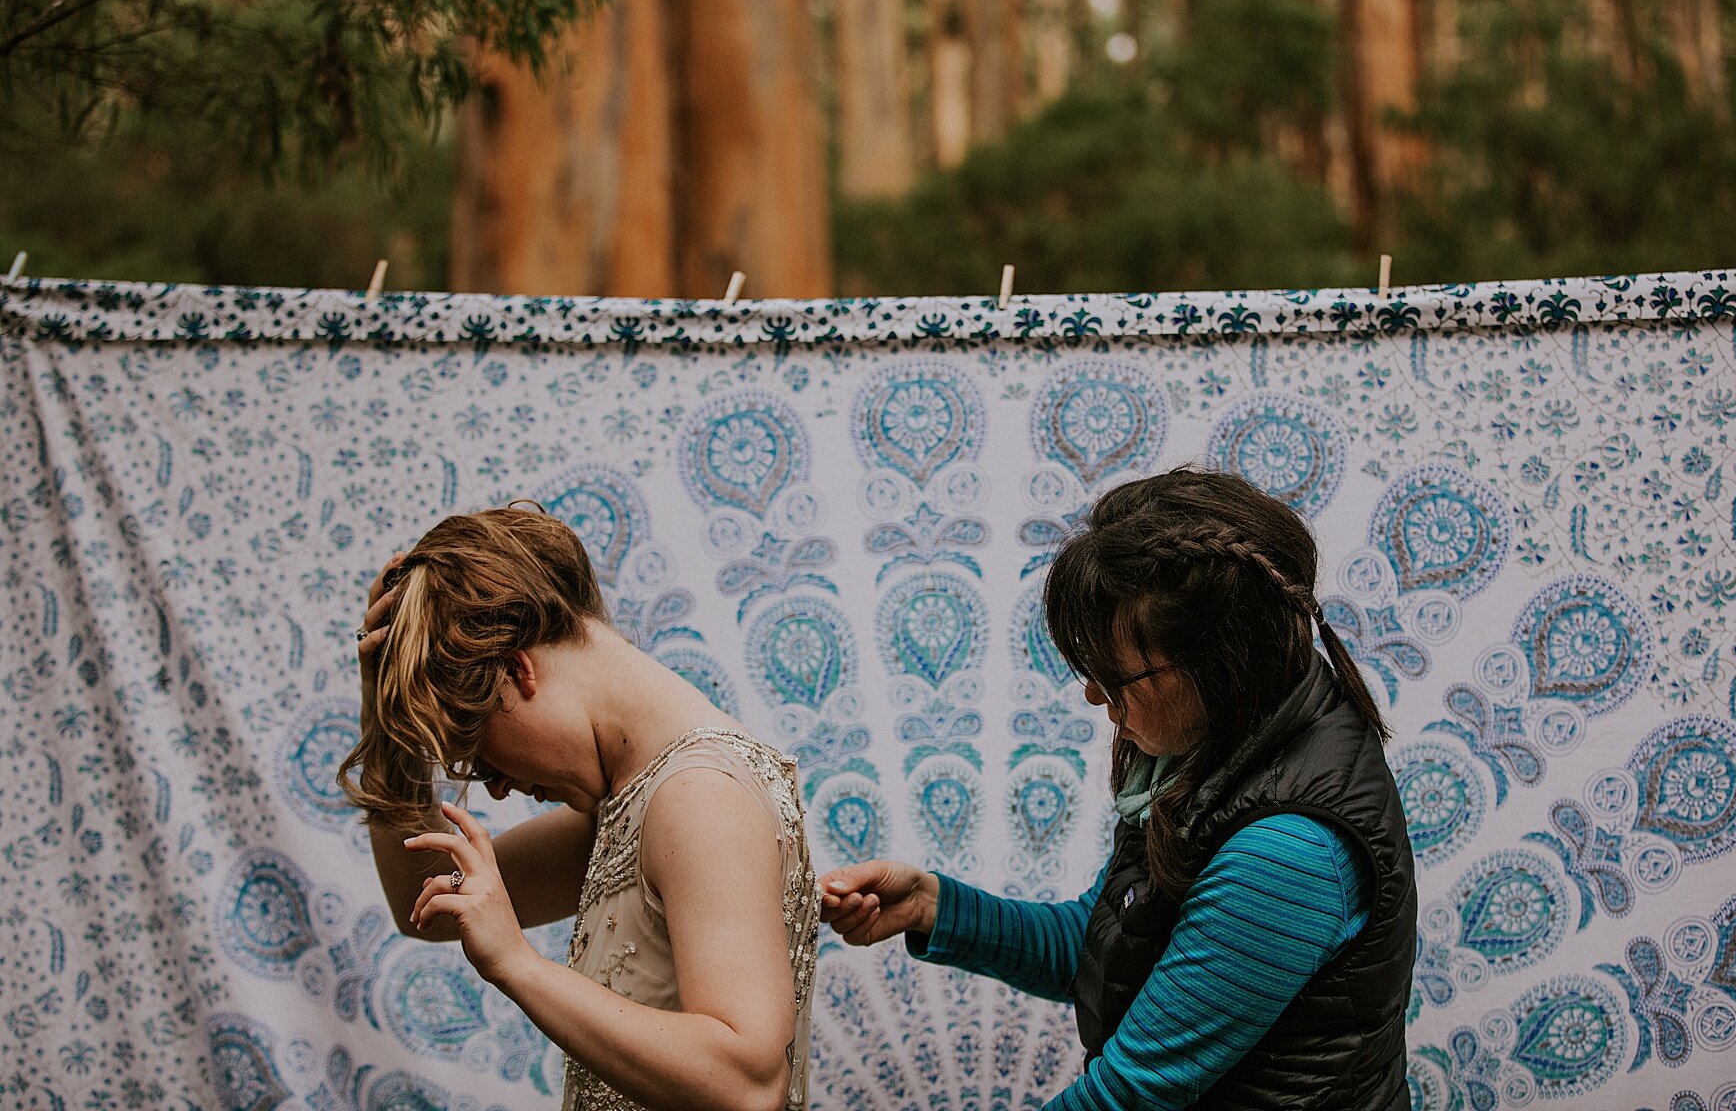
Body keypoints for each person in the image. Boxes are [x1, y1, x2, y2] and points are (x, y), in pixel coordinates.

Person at [820, 467, 1418, 1110]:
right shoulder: (1209, 757)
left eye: (1116, 674)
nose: (1093, 694)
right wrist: (936, 907)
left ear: (1222, 660)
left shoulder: (1286, 852)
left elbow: (1128, 1096)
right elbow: (1114, 946)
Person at [338, 505, 816, 1111]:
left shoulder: (699, 795)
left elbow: (747, 1085)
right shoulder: (640, 799)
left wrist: (517, 965)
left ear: (517, 670)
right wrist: (387, 725)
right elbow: (427, 901)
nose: (500, 788)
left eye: (484, 754)